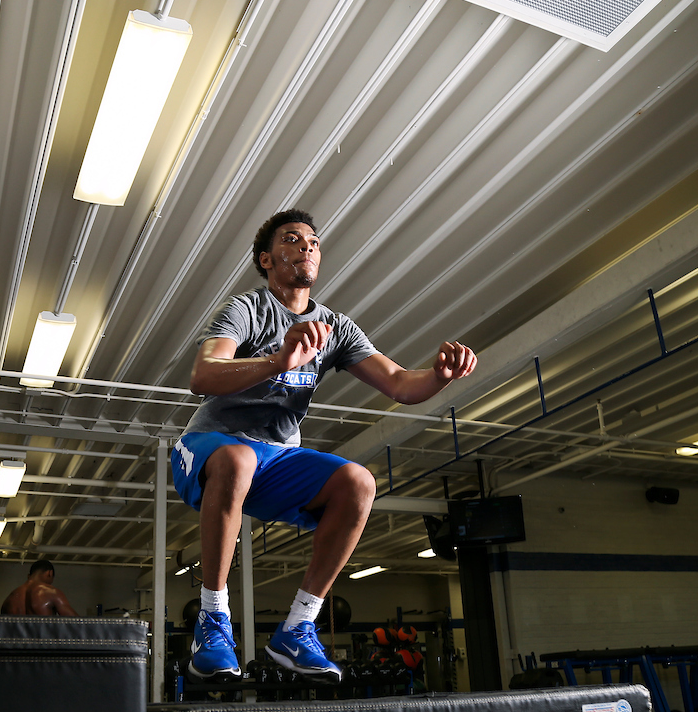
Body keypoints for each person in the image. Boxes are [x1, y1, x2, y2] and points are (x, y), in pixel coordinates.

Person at [171, 208, 476, 683]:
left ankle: (298, 627)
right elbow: (203, 376)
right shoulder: (246, 310)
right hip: (210, 446)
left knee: (358, 482)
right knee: (237, 457)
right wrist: (277, 361)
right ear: (266, 260)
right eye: (292, 239)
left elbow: (399, 383)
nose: (307, 247)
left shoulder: (335, 326)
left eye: (313, 242)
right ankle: (212, 621)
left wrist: (439, 376)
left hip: (275, 458)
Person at [1, 559, 79, 616]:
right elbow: (76, 623)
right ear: (50, 573)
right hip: (44, 634)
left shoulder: (10, 598)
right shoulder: (51, 592)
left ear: (29, 576)